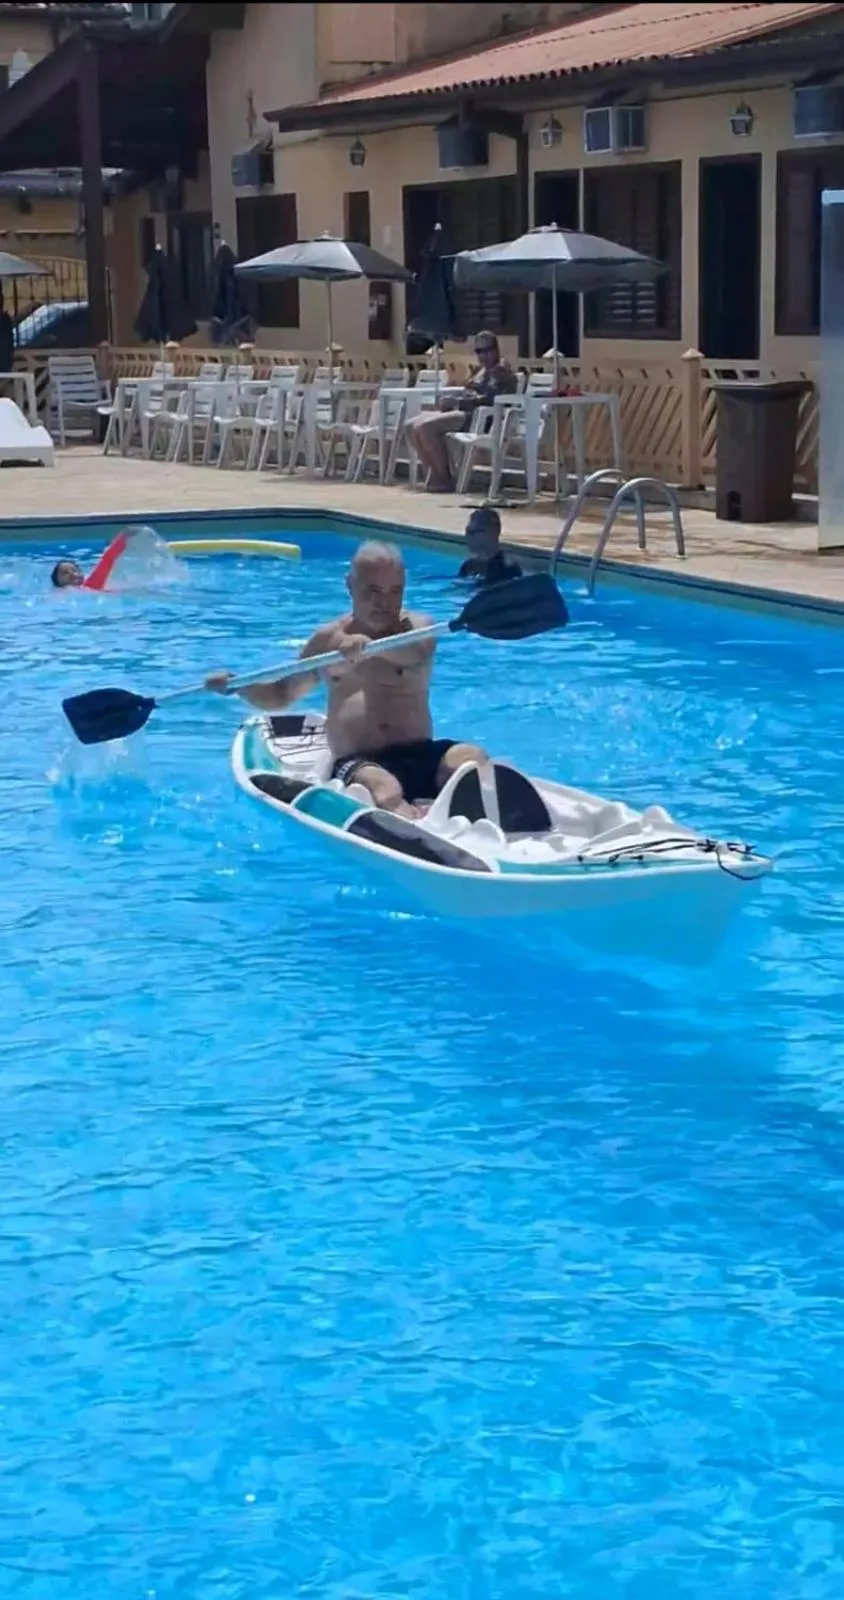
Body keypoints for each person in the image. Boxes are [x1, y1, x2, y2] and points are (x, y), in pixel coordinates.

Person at [206, 540, 488, 819]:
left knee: (472, 759)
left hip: (421, 753)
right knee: (385, 789)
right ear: (349, 585)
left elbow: (415, 654)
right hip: (361, 762)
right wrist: (239, 686)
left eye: (395, 591)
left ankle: (477, 828)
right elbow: (282, 694)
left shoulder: (417, 629)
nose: (385, 603)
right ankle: (417, 830)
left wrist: (366, 647)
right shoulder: (327, 641)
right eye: (374, 591)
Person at [404, 330, 518, 494]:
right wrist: (452, 399)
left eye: (487, 350)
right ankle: (434, 474)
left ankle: (444, 477)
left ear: (496, 349)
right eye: (479, 351)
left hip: (482, 418)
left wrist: (458, 402)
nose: (483, 355)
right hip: (467, 413)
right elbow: (468, 390)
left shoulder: (500, 372)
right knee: (410, 426)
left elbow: (489, 400)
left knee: (426, 427)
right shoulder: (482, 371)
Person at [50, 526, 152, 591]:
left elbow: (107, 560)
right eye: (65, 573)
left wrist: (124, 537)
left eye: (74, 570)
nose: (72, 573)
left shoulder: (91, 584)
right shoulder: (59, 598)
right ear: (57, 582)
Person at [458, 505, 523, 586]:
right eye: (467, 532)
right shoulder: (468, 566)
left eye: (473, 532)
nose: (467, 537)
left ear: (492, 532)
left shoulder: (506, 567)